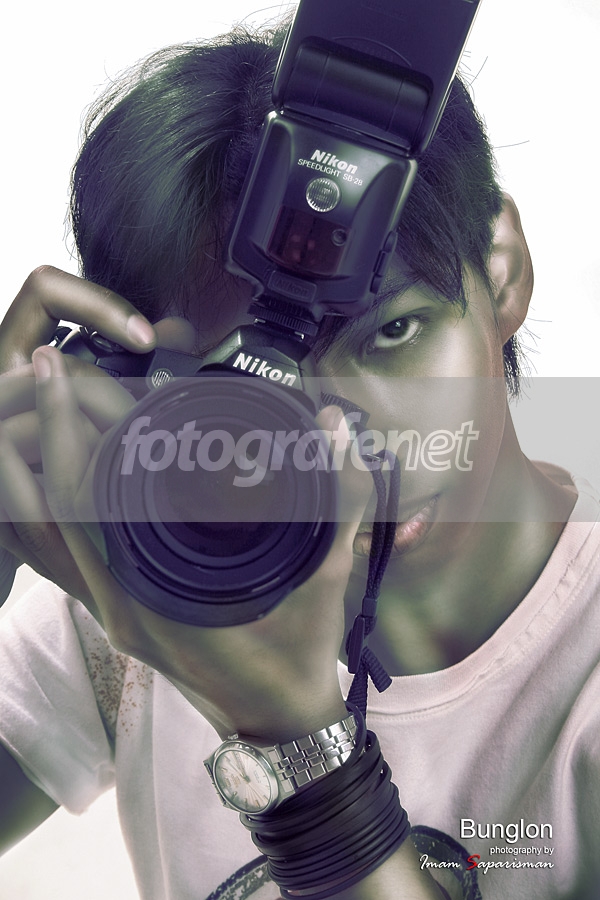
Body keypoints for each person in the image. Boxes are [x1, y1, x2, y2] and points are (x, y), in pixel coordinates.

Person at [0, 14, 599, 900]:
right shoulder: (147, 600)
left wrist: (290, 739)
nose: (342, 454)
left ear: (503, 270)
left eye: (392, 333)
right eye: (245, 391)